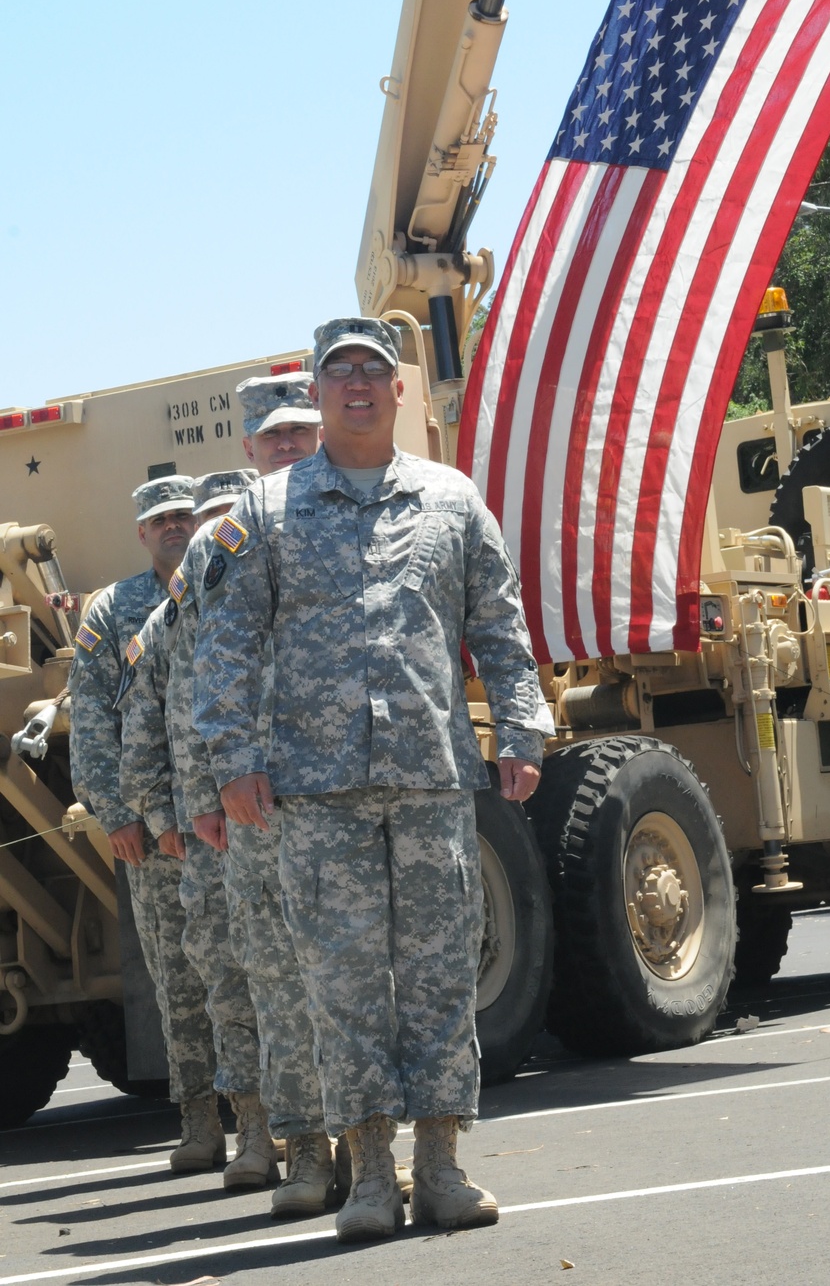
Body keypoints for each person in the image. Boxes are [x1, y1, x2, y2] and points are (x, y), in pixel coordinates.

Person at [193, 317, 553, 1245]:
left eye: (374, 371)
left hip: (431, 780)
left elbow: (502, 631)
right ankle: (367, 1177)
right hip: (315, 797)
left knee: (440, 976)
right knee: (343, 989)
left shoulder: (452, 501)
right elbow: (224, 648)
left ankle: (440, 1166)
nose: (357, 384)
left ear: (400, 392)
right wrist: (232, 761)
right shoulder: (264, 514)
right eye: (338, 371)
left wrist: (522, 728)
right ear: (315, 392)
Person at [118, 468, 275, 1192]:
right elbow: (139, 727)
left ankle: (334, 1140)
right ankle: (254, 1134)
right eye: (186, 518)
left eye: (215, 515)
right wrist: (156, 814)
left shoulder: (279, 586)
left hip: (288, 819)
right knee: (227, 984)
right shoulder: (162, 621)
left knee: (309, 980)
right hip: (207, 835)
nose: (200, 531)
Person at [68, 476, 219, 1173]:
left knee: (257, 970)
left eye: (184, 515)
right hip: (157, 829)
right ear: (141, 532)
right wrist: (114, 812)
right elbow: (93, 717)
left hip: (235, 813)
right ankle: (198, 1124)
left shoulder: (229, 583)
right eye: (160, 519)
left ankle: (276, 1118)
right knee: (178, 978)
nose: (174, 528)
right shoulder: (115, 610)